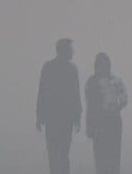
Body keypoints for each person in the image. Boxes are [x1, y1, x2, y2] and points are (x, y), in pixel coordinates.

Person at [37, 39, 83, 174]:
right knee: (59, 153)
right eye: (70, 50)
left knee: (58, 153)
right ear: (63, 51)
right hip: (58, 118)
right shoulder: (56, 68)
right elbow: (43, 92)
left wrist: (77, 116)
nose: (72, 52)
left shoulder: (54, 67)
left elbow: (75, 94)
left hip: (61, 119)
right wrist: (39, 115)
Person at [86, 52, 128, 174]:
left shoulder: (115, 80)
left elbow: (124, 99)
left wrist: (116, 107)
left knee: (113, 156)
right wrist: (89, 126)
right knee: (101, 158)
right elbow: (89, 105)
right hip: (99, 124)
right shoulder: (92, 82)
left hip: (112, 122)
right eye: (100, 64)